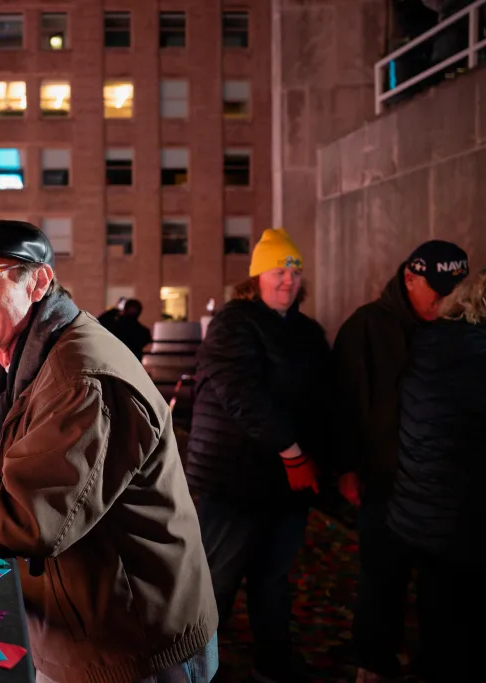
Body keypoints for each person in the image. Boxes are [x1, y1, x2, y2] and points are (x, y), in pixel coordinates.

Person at [0, 220, 218, 683]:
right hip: (94, 633)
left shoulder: (78, 378)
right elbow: (3, 438)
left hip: (134, 649)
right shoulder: (42, 351)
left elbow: (31, 518)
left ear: (38, 282)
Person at [185, 228, 332, 683]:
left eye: (295, 271)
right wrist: (292, 452)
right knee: (216, 583)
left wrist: (322, 456)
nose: (288, 280)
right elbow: (241, 394)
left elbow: (324, 397)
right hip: (232, 479)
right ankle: (191, 669)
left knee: (272, 579)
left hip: (285, 484)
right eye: (278, 270)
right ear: (256, 278)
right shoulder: (236, 321)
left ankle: (274, 661)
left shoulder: (307, 331)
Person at [333, 239, 468, 682]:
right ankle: (373, 660)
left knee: (440, 588)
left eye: (454, 288)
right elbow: (341, 403)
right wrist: (346, 468)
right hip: (384, 480)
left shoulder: (455, 329)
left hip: (437, 486)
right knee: (382, 579)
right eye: (437, 287)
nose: (445, 298)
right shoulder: (367, 326)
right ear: (410, 278)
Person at [385, 267, 485, 683]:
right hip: (463, 516)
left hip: (421, 510)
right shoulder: (476, 357)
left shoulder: (427, 343)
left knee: (436, 613)